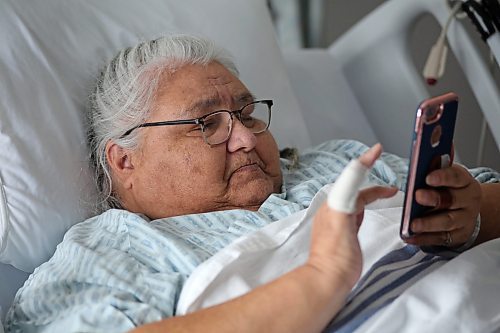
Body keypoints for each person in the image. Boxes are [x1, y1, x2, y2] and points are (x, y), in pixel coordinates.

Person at [5, 35, 500, 333]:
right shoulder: (112, 251)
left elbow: (487, 199)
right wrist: (320, 277)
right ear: (124, 160)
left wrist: (468, 210)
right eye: (206, 124)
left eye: (245, 112)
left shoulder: (336, 163)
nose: (243, 136)